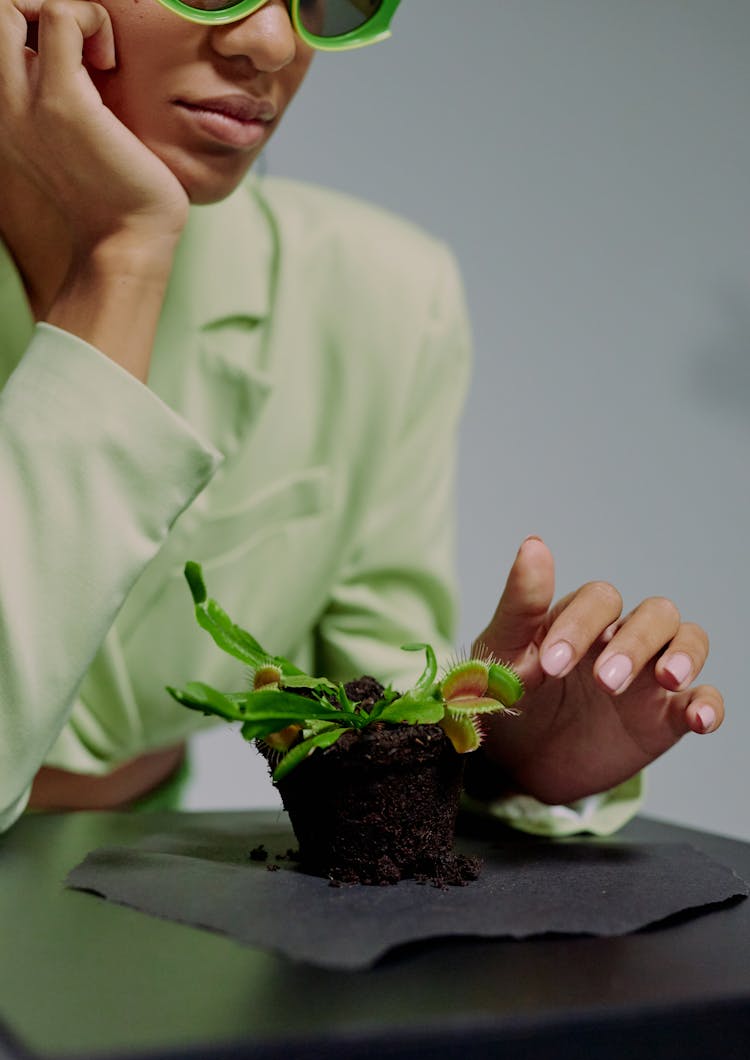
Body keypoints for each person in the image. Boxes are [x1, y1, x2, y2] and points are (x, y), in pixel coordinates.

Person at [0, 0, 724, 835]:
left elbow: (368, 707)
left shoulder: (379, 297)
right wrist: (123, 256)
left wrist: (497, 750)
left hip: (148, 894)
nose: (275, 43)